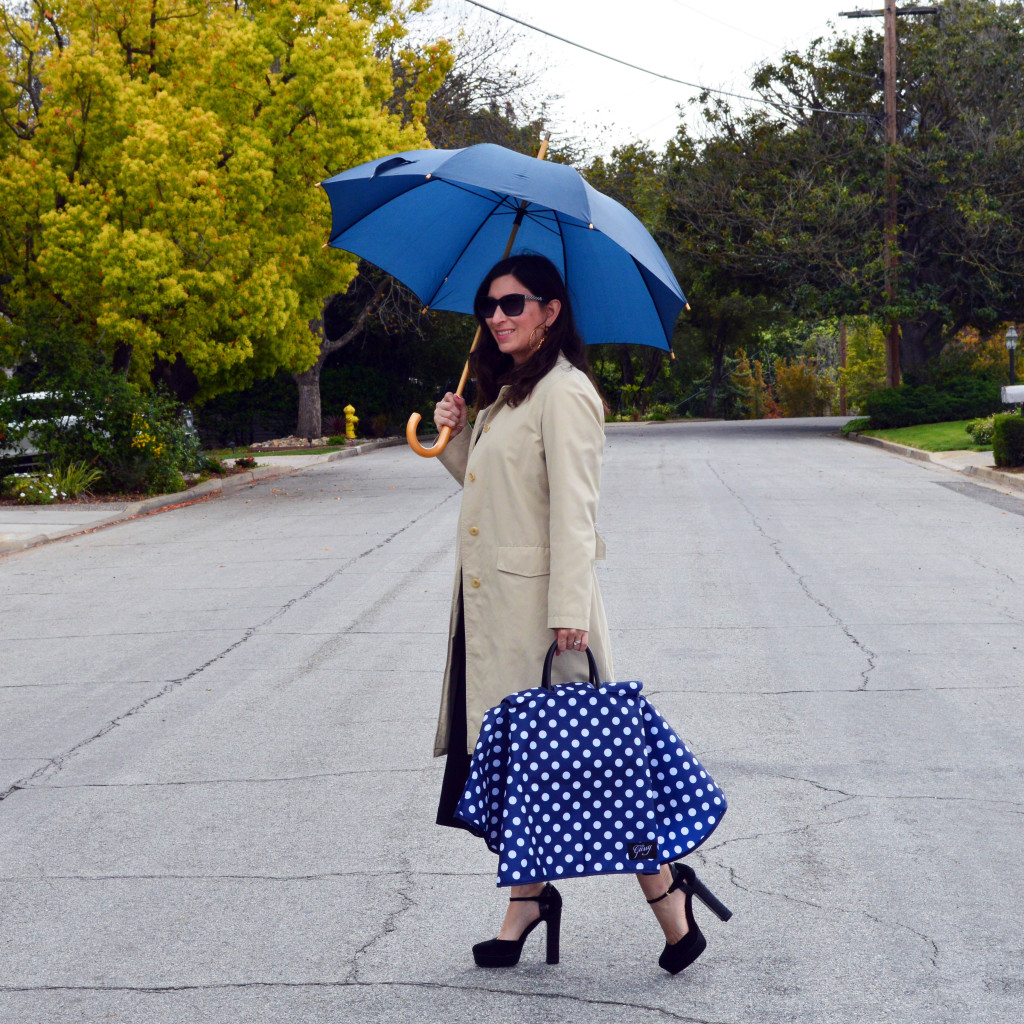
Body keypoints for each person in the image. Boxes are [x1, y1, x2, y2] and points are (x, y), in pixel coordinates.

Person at [431, 253, 724, 973]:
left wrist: (569, 611)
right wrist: (458, 433)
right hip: (501, 612)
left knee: (595, 771)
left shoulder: (565, 392)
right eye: (489, 306)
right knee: (532, 768)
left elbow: (574, 509)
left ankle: (671, 901)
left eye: (514, 303)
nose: (497, 316)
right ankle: (525, 907)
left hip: (543, 617)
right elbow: (496, 489)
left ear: (551, 311)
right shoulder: (511, 394)